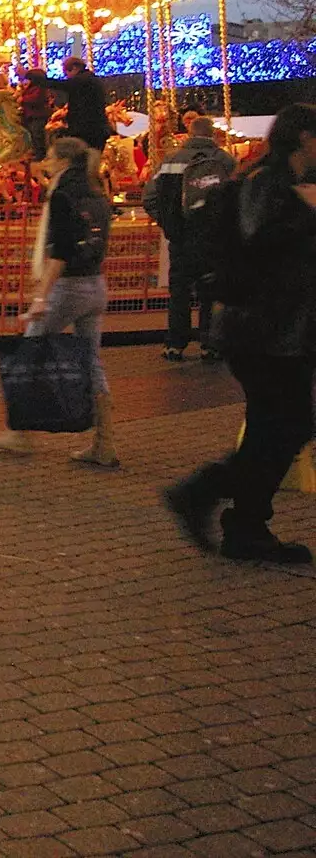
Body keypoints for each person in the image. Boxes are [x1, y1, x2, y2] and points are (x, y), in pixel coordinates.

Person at [166, 104, 316, 565]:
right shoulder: (266, 183)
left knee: (275, 427)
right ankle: (202, 492)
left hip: (272, 327)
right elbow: (260, 235)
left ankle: (246, 525)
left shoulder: (275, 183)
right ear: (303, 139)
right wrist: (308, 212)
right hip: (262, 329)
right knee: (288, 424)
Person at [0, 138, 117, 467]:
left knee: (29, 353)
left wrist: (42, 294)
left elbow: (60, 251)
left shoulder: (62, 195)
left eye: (51, 158)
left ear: (64, 162)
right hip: (95, 284)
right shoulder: (96, 193)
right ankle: (105, 443)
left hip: (67, 288)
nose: (46, 162)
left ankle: (21, 434)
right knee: (91, 361)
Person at [145, 116, 236, 362]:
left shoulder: (171, 160)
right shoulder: (225, 161)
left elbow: (149, 197)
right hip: (214, 238)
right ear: (213, 134)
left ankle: (175, 344)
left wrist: (168, 223)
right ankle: (210, 344)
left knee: (179, 291)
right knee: (212, 291)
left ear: (189, 133)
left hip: (181, 237)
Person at [26, 56, 112, 154]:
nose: (67, 76)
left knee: (86, 156)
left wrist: (28, 75)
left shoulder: (82, 80)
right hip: (93, 126)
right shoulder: (89, 79)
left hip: (88, 128)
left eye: (67, 72)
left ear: (75, 68)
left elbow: (59, 84)